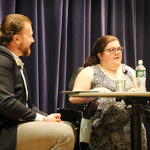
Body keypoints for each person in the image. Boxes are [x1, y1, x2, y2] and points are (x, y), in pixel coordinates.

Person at [0, 14, 75, 150]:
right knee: (64, 134)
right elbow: (5, 103)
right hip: (6, 130)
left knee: (67, 126)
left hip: (16, 125)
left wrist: (47, 118)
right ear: (16, 38)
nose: (33, 40)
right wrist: (43, 120)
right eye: (30, 36)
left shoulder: (15, 62)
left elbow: (27, 105)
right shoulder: (2, 60)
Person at [69, 35, 147, 150]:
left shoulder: (130, 71)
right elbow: (73, 98)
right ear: (100, 55)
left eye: (119, 49)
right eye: (111, 50)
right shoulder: (89, 72)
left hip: (132, 129)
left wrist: (136, 93)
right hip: (103, 131)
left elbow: (143, 93)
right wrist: (94, 93)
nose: (117, 52)